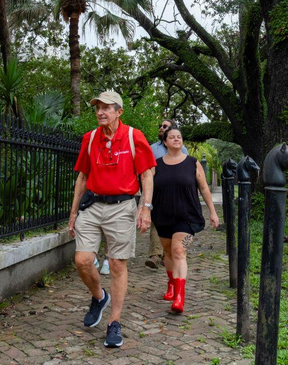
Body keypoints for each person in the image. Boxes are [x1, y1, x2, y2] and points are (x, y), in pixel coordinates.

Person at [68, 90, 156, 348]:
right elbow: (82, 177)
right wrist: (73, 213)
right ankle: (99, 297)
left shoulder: (133, 136)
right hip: (93, 205)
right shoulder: (90, 138)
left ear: (119, 112)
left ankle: (114, 322)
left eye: (106, 108)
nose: (100, 112)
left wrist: (145, 208)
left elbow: (147, 175)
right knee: (82, 260)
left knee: (117, 264)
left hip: (122, 206)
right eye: (98, 108)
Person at [152, 126, 219, 313]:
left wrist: (213, 212)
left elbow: (204, 188)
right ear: (165, 142)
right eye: (172, 137)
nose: (176, 139)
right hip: (163, 215)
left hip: (187, 215)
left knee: (179, 251)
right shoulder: (156, 165)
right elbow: (147, 189)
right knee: (168, 252)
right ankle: (172, 285)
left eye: (179, 137)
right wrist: (144, 210)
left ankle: (179, 297)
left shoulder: (192, 163)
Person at [146, 118, 188, 269]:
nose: (161, 128)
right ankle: (155, 255)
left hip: (176, 194)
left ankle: (168, 254)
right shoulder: (152, 148)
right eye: (160, 126)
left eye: (165, 126)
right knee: (156, 223)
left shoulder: (182, 149)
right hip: (157, 191)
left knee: (173, 223)